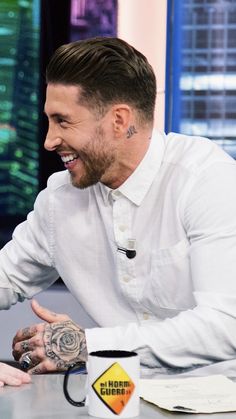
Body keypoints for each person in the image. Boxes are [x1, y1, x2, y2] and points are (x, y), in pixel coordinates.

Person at [1, 37, 236, 376]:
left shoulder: (206, 181)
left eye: (63, 121)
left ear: (119, 120)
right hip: (120, 399)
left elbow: (226, 325)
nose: (49, 140)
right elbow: (4, 277)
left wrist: (90, 345)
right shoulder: (60, 200)